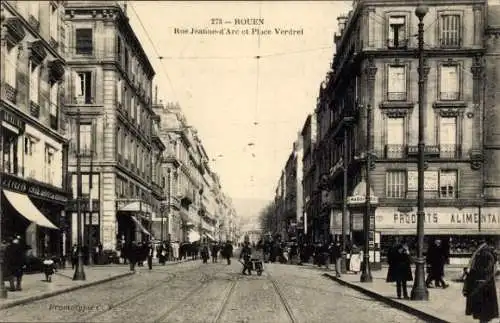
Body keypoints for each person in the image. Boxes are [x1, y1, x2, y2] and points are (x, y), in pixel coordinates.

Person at [463, 241, 499, 323]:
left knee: (483, 308)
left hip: (483, 283)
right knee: (484, 308)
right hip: (485, 283)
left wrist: (471, 272)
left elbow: (485, 269)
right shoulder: (484, 252)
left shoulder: (484, 253)